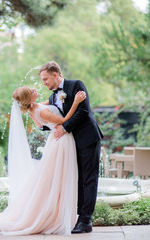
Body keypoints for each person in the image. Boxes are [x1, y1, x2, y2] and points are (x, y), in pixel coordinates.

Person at [0, 86, 86, 236]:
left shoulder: (34, 109)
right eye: (31, 91)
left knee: (52, 179)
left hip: (56, 141)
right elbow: (64, 120)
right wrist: (76, 101)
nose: (35, 89)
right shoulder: (40, 111)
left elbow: (40, 123)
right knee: (56, 179)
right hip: (61, 141)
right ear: (29, 98)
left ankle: (59, 212)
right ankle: (54, 214)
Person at [38, 61, 103, 234]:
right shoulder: (52, 97)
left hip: (88, 139)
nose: (44, 82)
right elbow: (52, 122)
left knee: (89, 179)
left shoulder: (76, 85)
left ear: (55, 75)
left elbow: (83, 111)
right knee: (78, 180)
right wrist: (37, 118)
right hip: (71, 144)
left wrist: (65, 128)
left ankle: (85, 219)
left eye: (45, 79)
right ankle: (80, 219)